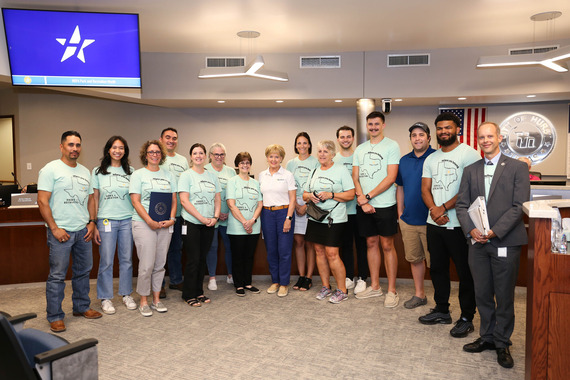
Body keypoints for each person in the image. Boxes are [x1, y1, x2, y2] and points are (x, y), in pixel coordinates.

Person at [457, 122, 530, 369]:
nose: (486, 140)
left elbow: (519, 206)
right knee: (482, 294)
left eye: (490, 136)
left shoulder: (518, 168)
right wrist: (472, 230)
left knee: (505, 296)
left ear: (499, 137)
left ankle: (502, 342)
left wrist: (493, 231)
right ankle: (486, 337)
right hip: (477, 243)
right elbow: (461, 205)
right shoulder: (471, 170)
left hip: (505, 241)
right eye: (482, 137)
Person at [419, 112, 480, 337]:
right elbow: (425, 188)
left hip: (459, 224)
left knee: (465, 272)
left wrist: (442, 208)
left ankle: (466, 317)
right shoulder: (431, 158)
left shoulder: (469, 154)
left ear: (457, 130)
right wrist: (435, 211)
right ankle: (442, 310)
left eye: (448, 128)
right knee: (437, 269)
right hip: (434, 223)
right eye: (440, 128)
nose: (444, 132)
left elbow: (469, 189)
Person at [37, 131, 102, 333]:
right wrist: (54, 229)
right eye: (71, 144)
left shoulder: (84, 172)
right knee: (57, 276)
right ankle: (55, 316)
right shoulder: (50, 169)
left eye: (78, 145)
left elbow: (91, 199)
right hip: (60, 233)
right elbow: (42, 200)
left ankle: (81, 307)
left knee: (83, 272)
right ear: (62, 146)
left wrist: (92, 223)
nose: (74, 148)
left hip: (82, 231)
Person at [352, 111, 401, 308]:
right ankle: (375, 286)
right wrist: (362, 201)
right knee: (371, 243)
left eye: (376, 124)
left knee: (387, 245)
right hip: (363, 205)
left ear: (383, 125)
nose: (373, 127)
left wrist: (368, 196)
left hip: (385, 205)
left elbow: (391, 178)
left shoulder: (392, 145)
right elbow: (355, 177)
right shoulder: (360, 149)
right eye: (370, 124)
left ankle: (391, 290)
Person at [303, 140, 355, 303]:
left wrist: (331, 194)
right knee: (319, 251)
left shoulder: (341, 170)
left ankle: (342, 290)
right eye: (319, 151)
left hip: (335, 218)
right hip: (315, 217)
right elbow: (304, 194)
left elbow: (351, 194)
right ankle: (326, 286)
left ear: (333, 154)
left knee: (332, 254)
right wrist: (310, 196)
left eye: (326, 151)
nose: (322, 154)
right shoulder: (314, 171)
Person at [129, 140, 177, 316]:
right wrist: (149, 221)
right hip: (143, 224)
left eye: (157, 152)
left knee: (159, 264)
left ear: (161, 155)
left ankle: (156, 300)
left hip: (165, 224)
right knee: (146, 264)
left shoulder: (169, 175)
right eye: (151, 152)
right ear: (145, 155)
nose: (155, 154)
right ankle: (144, 300)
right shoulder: (138, 175)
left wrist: (172, 219)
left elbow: (173, 199)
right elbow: (135, 201)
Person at [91, 136, 136, 314]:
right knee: (107, 260)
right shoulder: (97, 172)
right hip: (106, 220)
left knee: (126, 259)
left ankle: (126, 294)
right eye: (114, 147)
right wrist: (93, 223)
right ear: (108, 149)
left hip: (127, 220)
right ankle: (105, 297)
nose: (118, 151)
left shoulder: (131, 171)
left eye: (121, 148)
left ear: (125, 151)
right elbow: (94, 199)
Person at [395, 122, 435, 309]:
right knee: (415, 259)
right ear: (410, 138)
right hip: (409, 221)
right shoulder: (404, 160)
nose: (417, 138)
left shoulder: (436, 157)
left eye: (421, 135)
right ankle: (419, 295)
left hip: (432, 220)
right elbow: (400, 188)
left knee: (435, 262)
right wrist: (400, 213)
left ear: (428, 137)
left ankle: (441, 301)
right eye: (414, 135)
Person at [179, 143, 221, 307]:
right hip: (191, 222)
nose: (198, 156)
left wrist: (215, 217)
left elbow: (217, 198)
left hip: (209, 223)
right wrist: (202, 218)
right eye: (195, 153)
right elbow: (184, 200)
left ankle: (199, 292)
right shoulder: (186, 175)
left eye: (201, 153)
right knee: (193, 259)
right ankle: (188, 294)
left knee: (202, 259)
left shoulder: (212, 176)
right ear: (191, 156)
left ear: (205, 156)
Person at [334, 126, 369, 294]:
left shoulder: (359, 156)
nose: (345, 139)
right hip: (342, 210)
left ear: (353, 138)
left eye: (348, 136)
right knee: (346, 245)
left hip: (359, 207)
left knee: (362, 245)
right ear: (338, 139)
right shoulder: (334, 159)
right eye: (342, 137)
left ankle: (362, 278)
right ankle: (348, 276)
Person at [259, 144, 296, 297]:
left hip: (283, 213)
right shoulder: (262, 175)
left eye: (277, 156)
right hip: (267, 214)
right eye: (271, 156)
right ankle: (275, 281)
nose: (274, 159)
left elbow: (293, 199)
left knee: (284, 250)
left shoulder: (287, 175)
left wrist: (289, 218)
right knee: (271, 250)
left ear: (281, 158)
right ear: (267, 158)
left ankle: (284, 283)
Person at [226, 152, 263, 296]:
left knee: (249, 256)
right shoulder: (232, 181)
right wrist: (244, 222)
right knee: (238, 256)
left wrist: (252, 221)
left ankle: (248, 282)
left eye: (247, 163)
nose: (245, 165)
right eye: (242, 163)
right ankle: (239, 284)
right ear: (237, 165)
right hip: (237, 226)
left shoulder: (256, 183)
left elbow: (260, 204)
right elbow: (231, 204)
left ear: (250, 165)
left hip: (253, 225)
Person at [286, 132, 319, 292]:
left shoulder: (316, 162)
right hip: (295, 203)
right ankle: (301, 275)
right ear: (296, 145)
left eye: (305, 143)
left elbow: (318, 184)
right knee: (298, 242)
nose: (302, 146)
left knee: (310, 243)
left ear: (309, 145)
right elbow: (287, 186)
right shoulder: (290, 163)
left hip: (311, 203)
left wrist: (306, 204)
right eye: (299, 143)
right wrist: (297, 206)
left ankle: (309, 277)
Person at [159, 127, 189, 298]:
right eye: (168, 137)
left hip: (179, 212)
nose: (171, 140)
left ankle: (176, 280)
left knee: (176, 249)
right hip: (161, 212)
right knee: (161, 249)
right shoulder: (157, 157)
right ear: (161, 139)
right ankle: (159, 284)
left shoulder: (183, 160)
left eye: (174, 138)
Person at [205, 143, 236, 290]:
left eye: (222, 154)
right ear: (210, 156)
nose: (219, 157)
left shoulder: (231, 172)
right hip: (211, 217)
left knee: (230, 246)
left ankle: (230, 275)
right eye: (216, 154)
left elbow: (235, 193)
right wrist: (216, 215)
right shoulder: (204, 170)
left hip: (229, 215)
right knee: (212, 246)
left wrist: (229, 212)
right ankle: (212, 277)